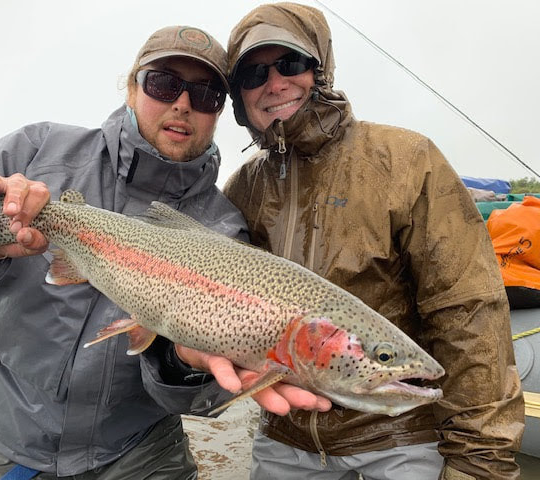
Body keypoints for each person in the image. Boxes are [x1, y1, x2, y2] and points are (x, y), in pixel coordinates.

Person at [0, 24, 328, 480]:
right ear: (131, 87)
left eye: (206, 95)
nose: (183, 104)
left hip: (142, 456)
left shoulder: (223, 227)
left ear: (219, 112)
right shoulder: (37, 151)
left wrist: (185, 363)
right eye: (164, 84)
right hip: (2, 450)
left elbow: (202, 397)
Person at [223, 3, 525, 480]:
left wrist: (478, 460)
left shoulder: (407, 160)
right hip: (285, 439)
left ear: (320, 68)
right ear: (240, 95)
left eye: (292, 63)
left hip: (402, 439)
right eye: (255, 72)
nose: (275, 82)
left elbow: (469, 313)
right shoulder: (242, 188)